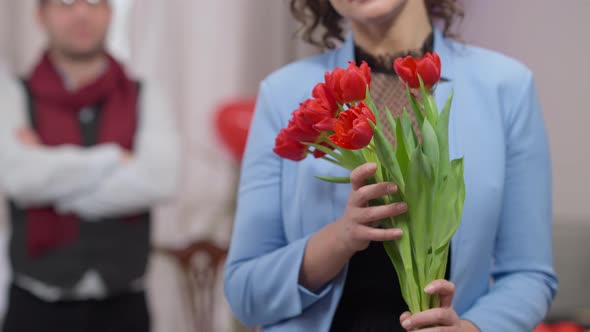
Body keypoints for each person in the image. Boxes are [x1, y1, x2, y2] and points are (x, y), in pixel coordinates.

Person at [224, 0, 557, 331]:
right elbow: (245, 293)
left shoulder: (506, 87)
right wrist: (340, 238)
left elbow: (529, 275)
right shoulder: (282, 94)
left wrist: (472, 329)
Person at [0, 0, 179, 331]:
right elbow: (19, 180)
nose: (81, 13)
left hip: (125, 307)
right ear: (42, 16)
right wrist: (113, 158)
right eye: (66, 4)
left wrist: (51, 184)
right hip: (35, 309)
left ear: (110, 14)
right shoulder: (11, 93)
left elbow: (161, 181)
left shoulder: (146, 94)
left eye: (94, 3)